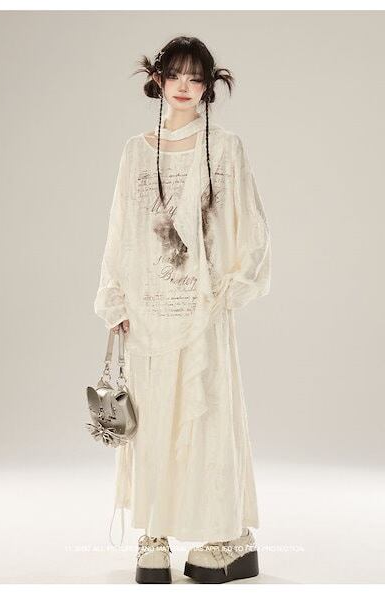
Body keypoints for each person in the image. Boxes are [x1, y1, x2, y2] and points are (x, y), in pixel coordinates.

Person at [94, 36, 271, 584]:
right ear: (159, 80)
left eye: (197, 77)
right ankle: (155, 532)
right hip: (148, 311)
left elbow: (250, 227)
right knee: (153, 420)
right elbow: (121, 229)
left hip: (202, 310)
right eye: (176, 75)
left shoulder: (226, 149)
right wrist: (116, 295)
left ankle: (228, 536)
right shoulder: (135, 151)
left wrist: (228, 289)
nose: (185, 86)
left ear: (209, 86)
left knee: (206, 415)